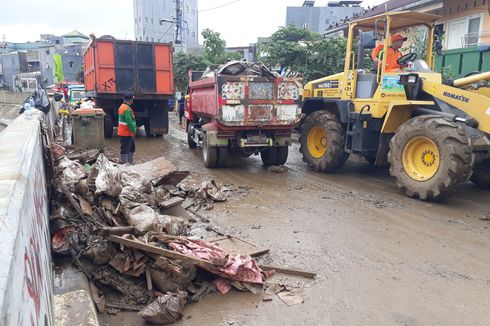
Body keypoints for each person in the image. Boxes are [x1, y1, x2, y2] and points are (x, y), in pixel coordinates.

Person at [117, 93, 137, 164]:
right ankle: (124, 164)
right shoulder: (127, 109)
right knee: (125, 149)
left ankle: (130, 163)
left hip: (125, 132)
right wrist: (134, 131)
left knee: (131, 148)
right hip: (126, 133)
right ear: (131, 100)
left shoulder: (122, 106)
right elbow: (129, 122)